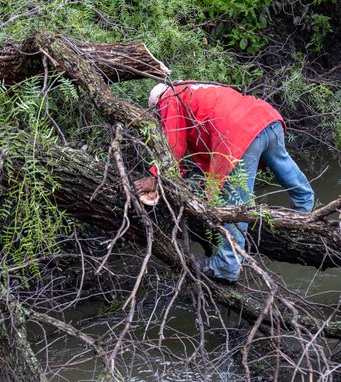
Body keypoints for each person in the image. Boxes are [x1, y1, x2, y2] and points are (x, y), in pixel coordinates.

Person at [134, 82, 316, 283]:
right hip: (265, 118)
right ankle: (304, 212)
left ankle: (227, 266)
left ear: (157, 105)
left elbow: (173, 145)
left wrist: (156, 178)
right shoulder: (190, 88)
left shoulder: (168, 99)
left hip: (239, 132)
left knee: (234, 203)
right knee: (284, 166)